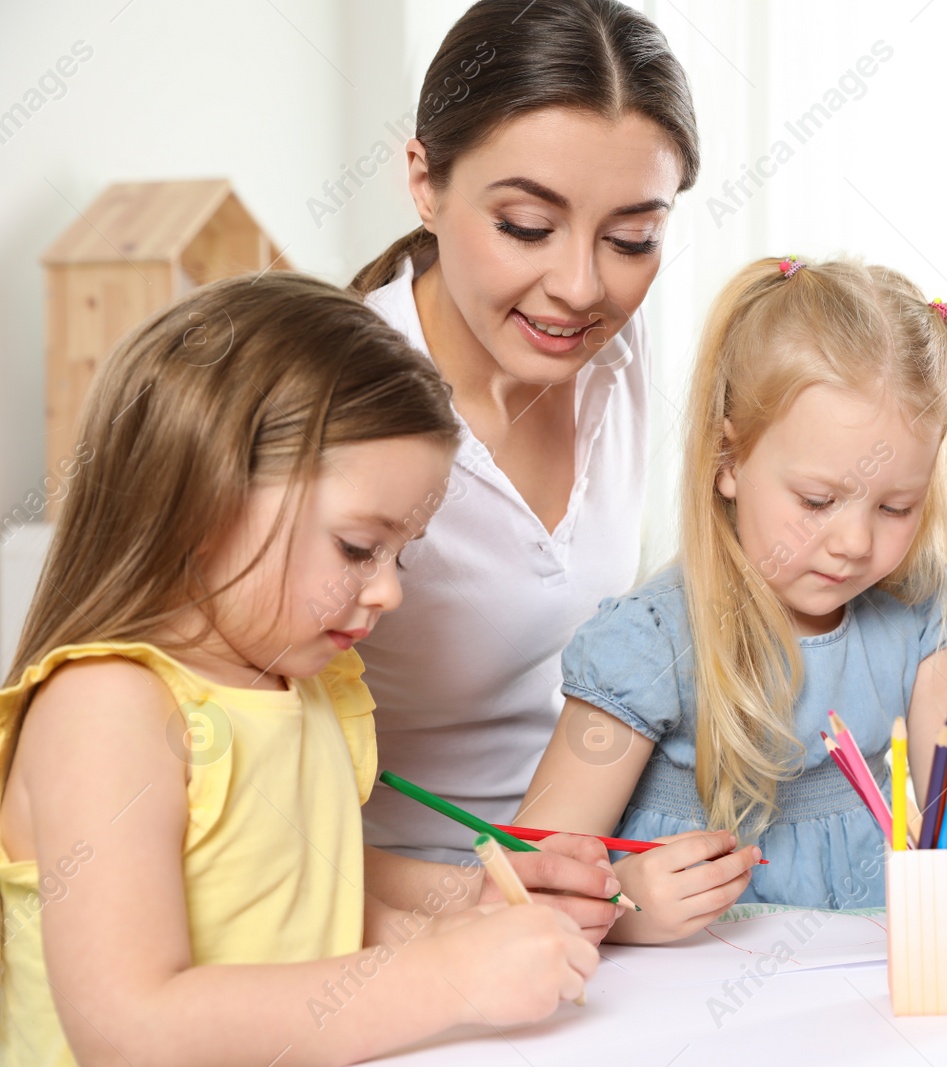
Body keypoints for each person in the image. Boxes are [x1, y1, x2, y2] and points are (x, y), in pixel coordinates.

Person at [0, 273, 597, 1065]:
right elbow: (129, 1028)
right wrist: (445, 977)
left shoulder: (301, 685)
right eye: (357, 547)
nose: (386, 590)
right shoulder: (108, 710)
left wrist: (473, 914)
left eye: (401, 556)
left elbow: (313, 908)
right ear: (205, 497)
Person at [518, 257, 947, 941]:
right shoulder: (652, 641)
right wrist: (626, 903)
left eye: (898, 506)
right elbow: (526, 884)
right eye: (817, 500)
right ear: (728, 460)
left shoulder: (920, 615)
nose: (854, 542)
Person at [348, 0, 706, 927]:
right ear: (425, 180)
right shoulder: (332, 415)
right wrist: (544, 897)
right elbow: (238, 818)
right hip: (412, 907)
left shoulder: (618, 362)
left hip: (593, 875)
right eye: (525, 226)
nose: (583, 287)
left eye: (634, 239)